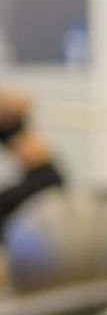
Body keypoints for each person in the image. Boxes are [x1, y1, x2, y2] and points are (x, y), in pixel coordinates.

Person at [0, 85, 65, 233]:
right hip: (37, 176)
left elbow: (24, 100)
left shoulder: (15, 121)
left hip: (45, 177)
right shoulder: (9, 127)